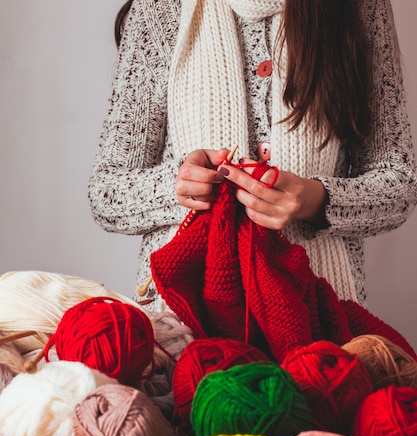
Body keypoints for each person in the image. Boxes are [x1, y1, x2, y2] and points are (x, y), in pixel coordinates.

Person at [88, 0, 417, 313]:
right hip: (182, 324)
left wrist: (314, 200)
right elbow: (106, 192)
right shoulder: (160, 8)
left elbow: (400, 183)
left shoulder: (358, 6)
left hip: (321, 318)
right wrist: (178, 187)